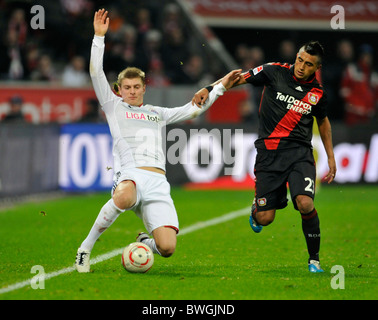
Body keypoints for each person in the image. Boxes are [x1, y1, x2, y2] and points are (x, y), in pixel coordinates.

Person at [75, 9, 241, 273]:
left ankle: (145, 242)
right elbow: (96, 72)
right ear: (119, 90)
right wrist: (98, 38)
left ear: (143, 88)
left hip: (157, 183)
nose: (131, 91)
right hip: (130, 174)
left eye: (136, 87)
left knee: (167, 248)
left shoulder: (157, 113)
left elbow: (193, 109)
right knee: (125, 195)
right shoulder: (112, 105)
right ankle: (85, 249)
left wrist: (219, 87)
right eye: (126, 88)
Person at [192, 41, 337, 273]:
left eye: (308, 64)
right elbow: (237, 79)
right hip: (268, 155)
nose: (301, 66)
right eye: (300, 59)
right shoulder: (273, 71)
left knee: (305, 202)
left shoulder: (317, 93)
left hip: (299, 153)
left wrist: (330, 156)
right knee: (265, 218)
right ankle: (256, 211)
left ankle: (314, 260)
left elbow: (323, 121)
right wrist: (209, 89)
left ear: (316, 67)